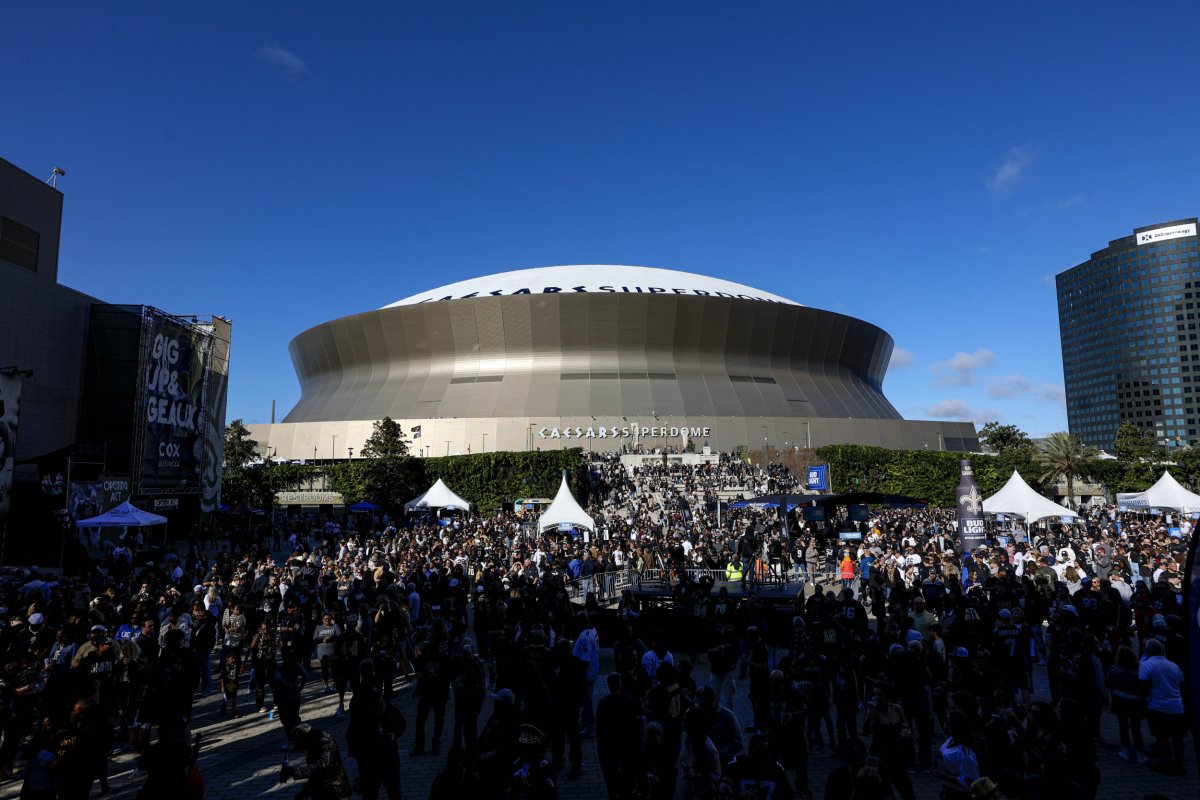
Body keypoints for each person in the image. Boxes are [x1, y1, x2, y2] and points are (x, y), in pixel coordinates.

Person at [1138, 638, 1186, 773]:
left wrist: (1146, 699)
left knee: (1162, 736)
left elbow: (1143, 686)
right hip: (1177, 705)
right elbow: (1181, 683)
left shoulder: (1146, 665)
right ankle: (1178, 764)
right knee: (1178, 737)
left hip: (1158, 705)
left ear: (1148, 650)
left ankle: (1166, 762)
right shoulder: (1173, 665)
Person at [279, 723, 352, 800]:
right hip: (322, 788)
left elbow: (321, 765)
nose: (299, 746)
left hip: (335, 790)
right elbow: (315, 777)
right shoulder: (313, 743)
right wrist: (301, 795)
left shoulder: (325, 742)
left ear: (304, 738)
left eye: (299, 742)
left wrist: (297, 772)